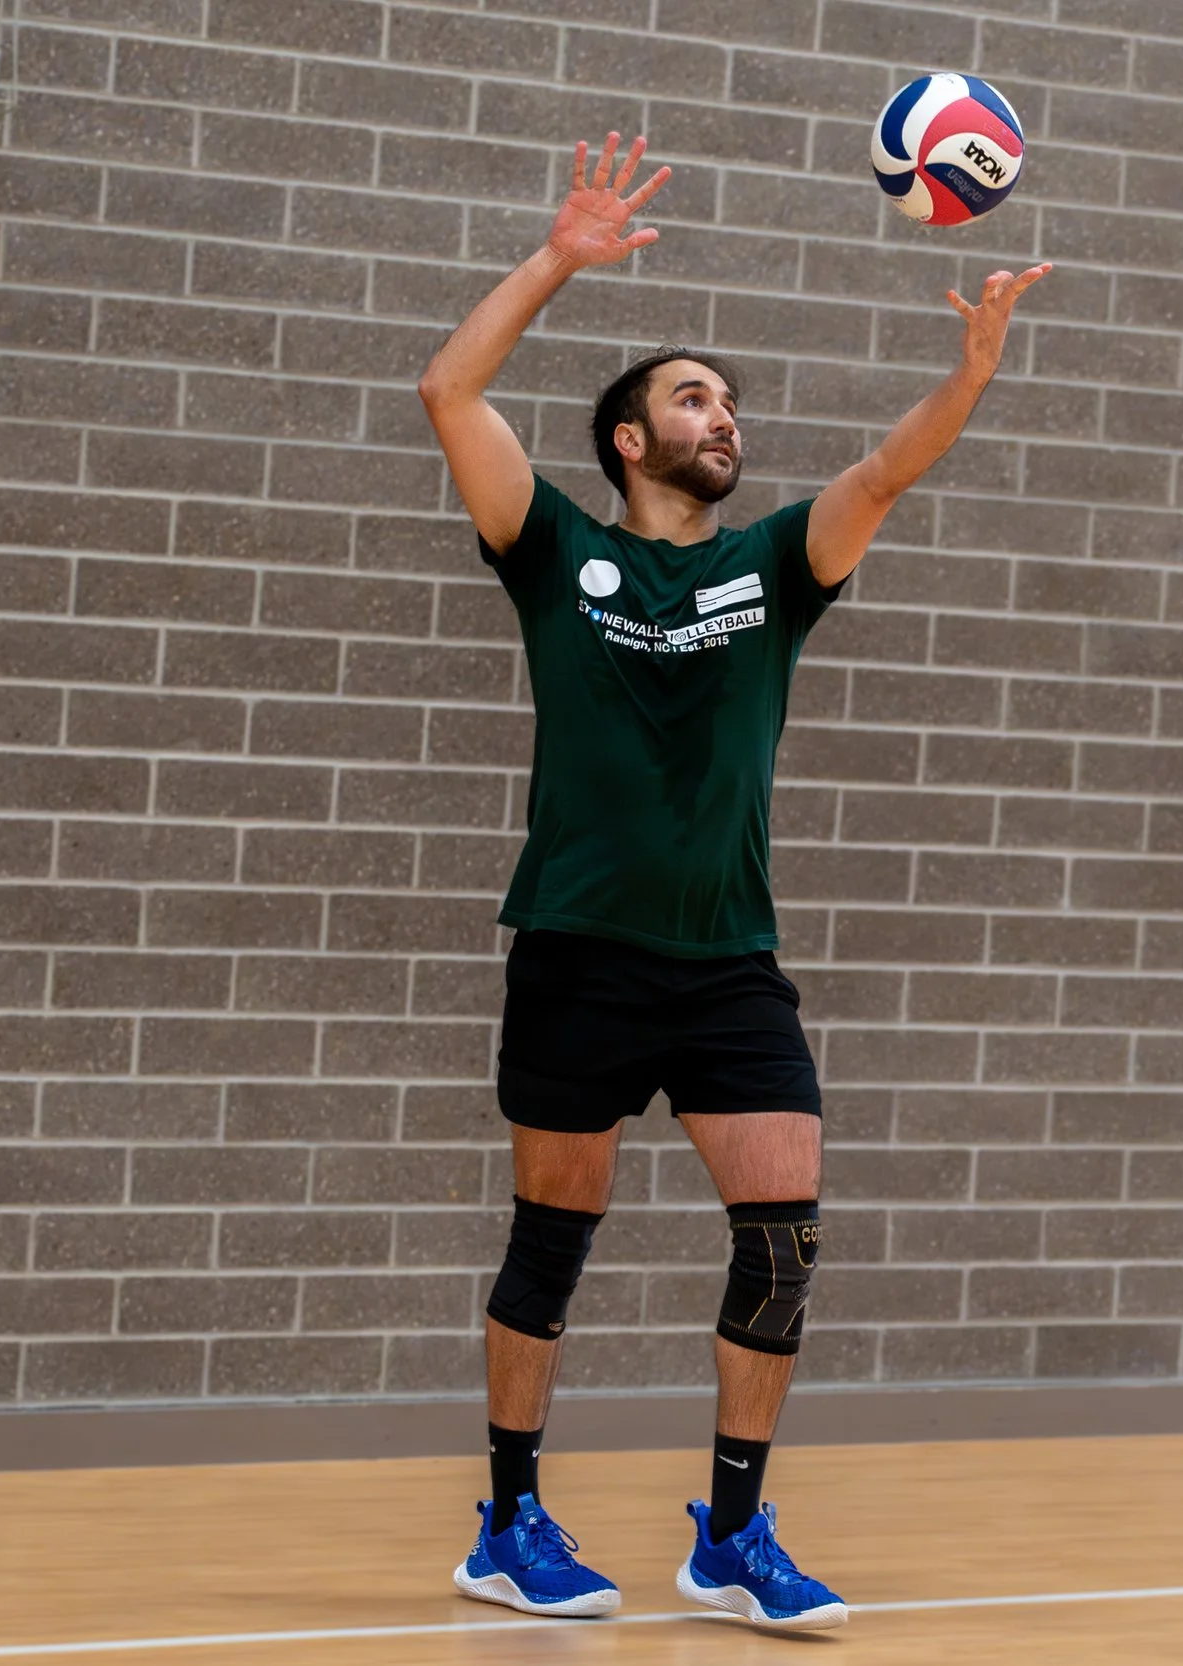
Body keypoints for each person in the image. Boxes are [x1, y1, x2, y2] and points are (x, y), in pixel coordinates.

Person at [416, 131, 1050, 1633]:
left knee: (783, 1243)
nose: (725, 417)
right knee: (549, 1243)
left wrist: (969, 374)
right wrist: (558, 259)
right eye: (695, 397)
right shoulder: (553, 550)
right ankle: (508, 1521)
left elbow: (884, 472)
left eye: (732, 402)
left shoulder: (769, 569)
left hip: (726, 967)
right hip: (577, 949)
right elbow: (450, 392)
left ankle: (735, 1533)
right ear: (629, 439)